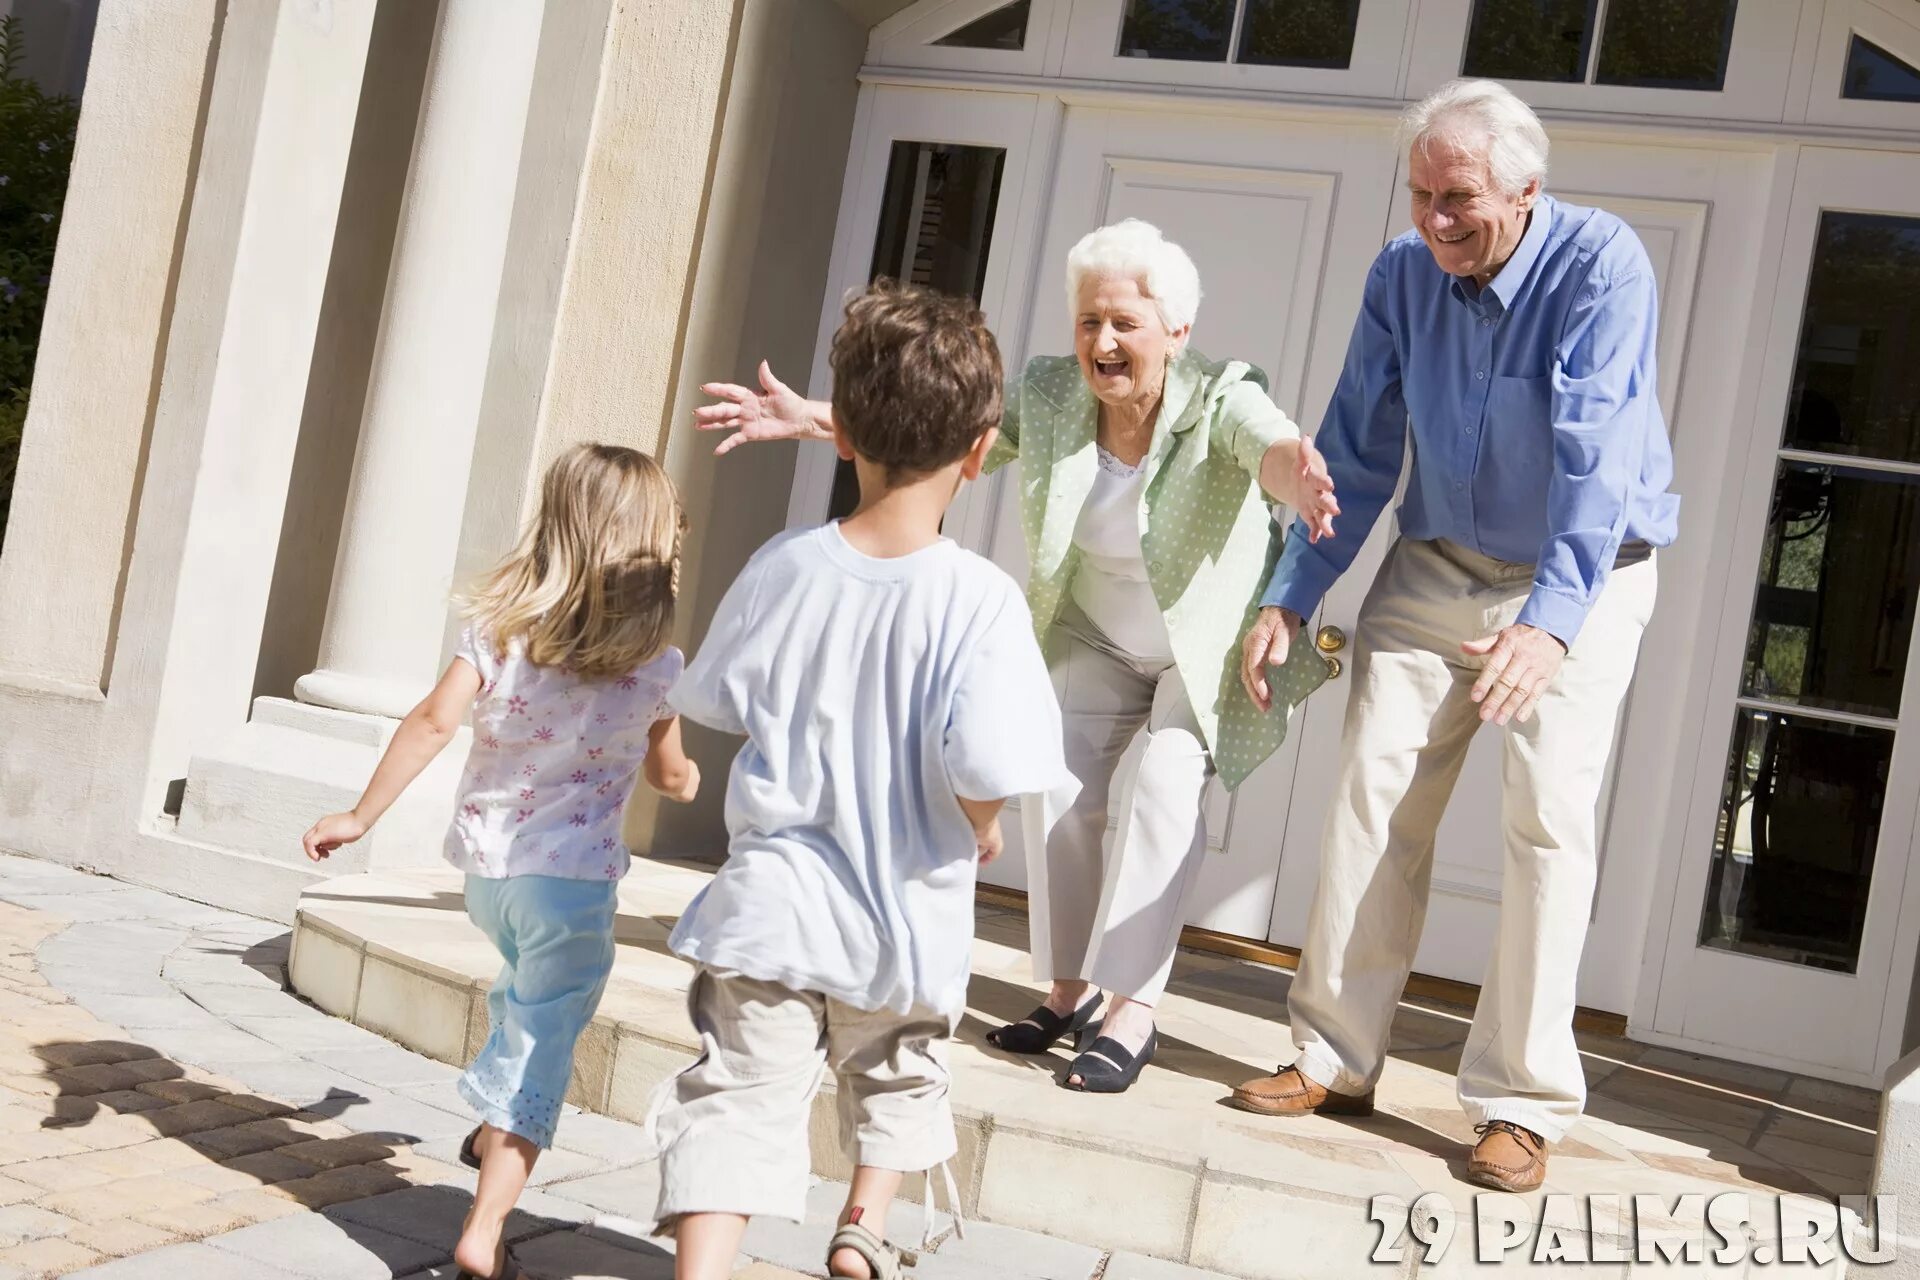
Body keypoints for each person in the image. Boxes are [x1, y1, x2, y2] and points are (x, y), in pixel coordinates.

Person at [696, 220, 1339, 1094]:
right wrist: (817, 418)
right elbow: (942, 429)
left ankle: (1131, 1007)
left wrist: (1294, 477)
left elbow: (1265, 444)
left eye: (1124, 324)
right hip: (1097, 633)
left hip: (1198, 649)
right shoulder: (1050, 393)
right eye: (1087, 323)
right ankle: (1069, 990)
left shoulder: (1222, 397)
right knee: (1063, 788)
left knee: (1161, 787)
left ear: (1176, 332)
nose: (1102, 343)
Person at [1230, 79, 1677, 1196]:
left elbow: (1595, 453)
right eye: (1422, 193)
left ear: (1527, 191)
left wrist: (1553, 624)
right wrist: (1294, 592)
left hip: (1587, 568)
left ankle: (1521, 1100)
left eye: (1459, 198)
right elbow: (1358, 444)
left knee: (1546, 821)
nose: (1434, 220)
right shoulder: (1400, 274)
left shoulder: (1601, 264)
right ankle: (1333, 1055)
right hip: (1436, 564)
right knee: (1373, 797)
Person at [649, 280, 1071, 1280]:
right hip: (904, 915)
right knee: (898, 1071)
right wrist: (985, 820)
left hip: (774, 907)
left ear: (842, 435)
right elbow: (984, 761)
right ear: (981, 450)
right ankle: (860, 1225)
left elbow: (713, 697)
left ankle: (702, 1270)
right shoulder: (982, 600)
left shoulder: (785, 565)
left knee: (738, 1094)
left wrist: (669, 756)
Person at [301, 444, 701, 1280]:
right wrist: (690, 776)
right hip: (576, 890)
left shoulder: (497, 633)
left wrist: (360, 814)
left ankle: (487, 1131)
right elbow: (672, 776)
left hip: (488, 878)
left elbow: (429, 722)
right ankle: (484, 1229)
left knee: (523, 1003)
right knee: (544, 1047)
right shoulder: (657, 668)